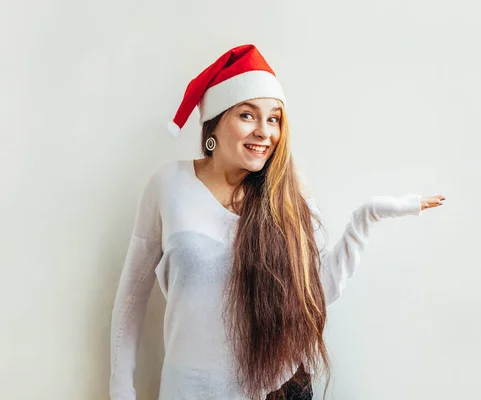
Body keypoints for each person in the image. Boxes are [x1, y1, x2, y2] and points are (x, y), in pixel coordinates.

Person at [109, 44, 446, 400]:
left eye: (274, 119)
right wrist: (121, 390)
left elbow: (319, 289)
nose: (264, 132)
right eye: (247, 115)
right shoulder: (168, 185)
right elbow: (130, 300)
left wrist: (367, 216)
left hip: (279, 390)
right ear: (215, 120)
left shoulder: (287, 188)